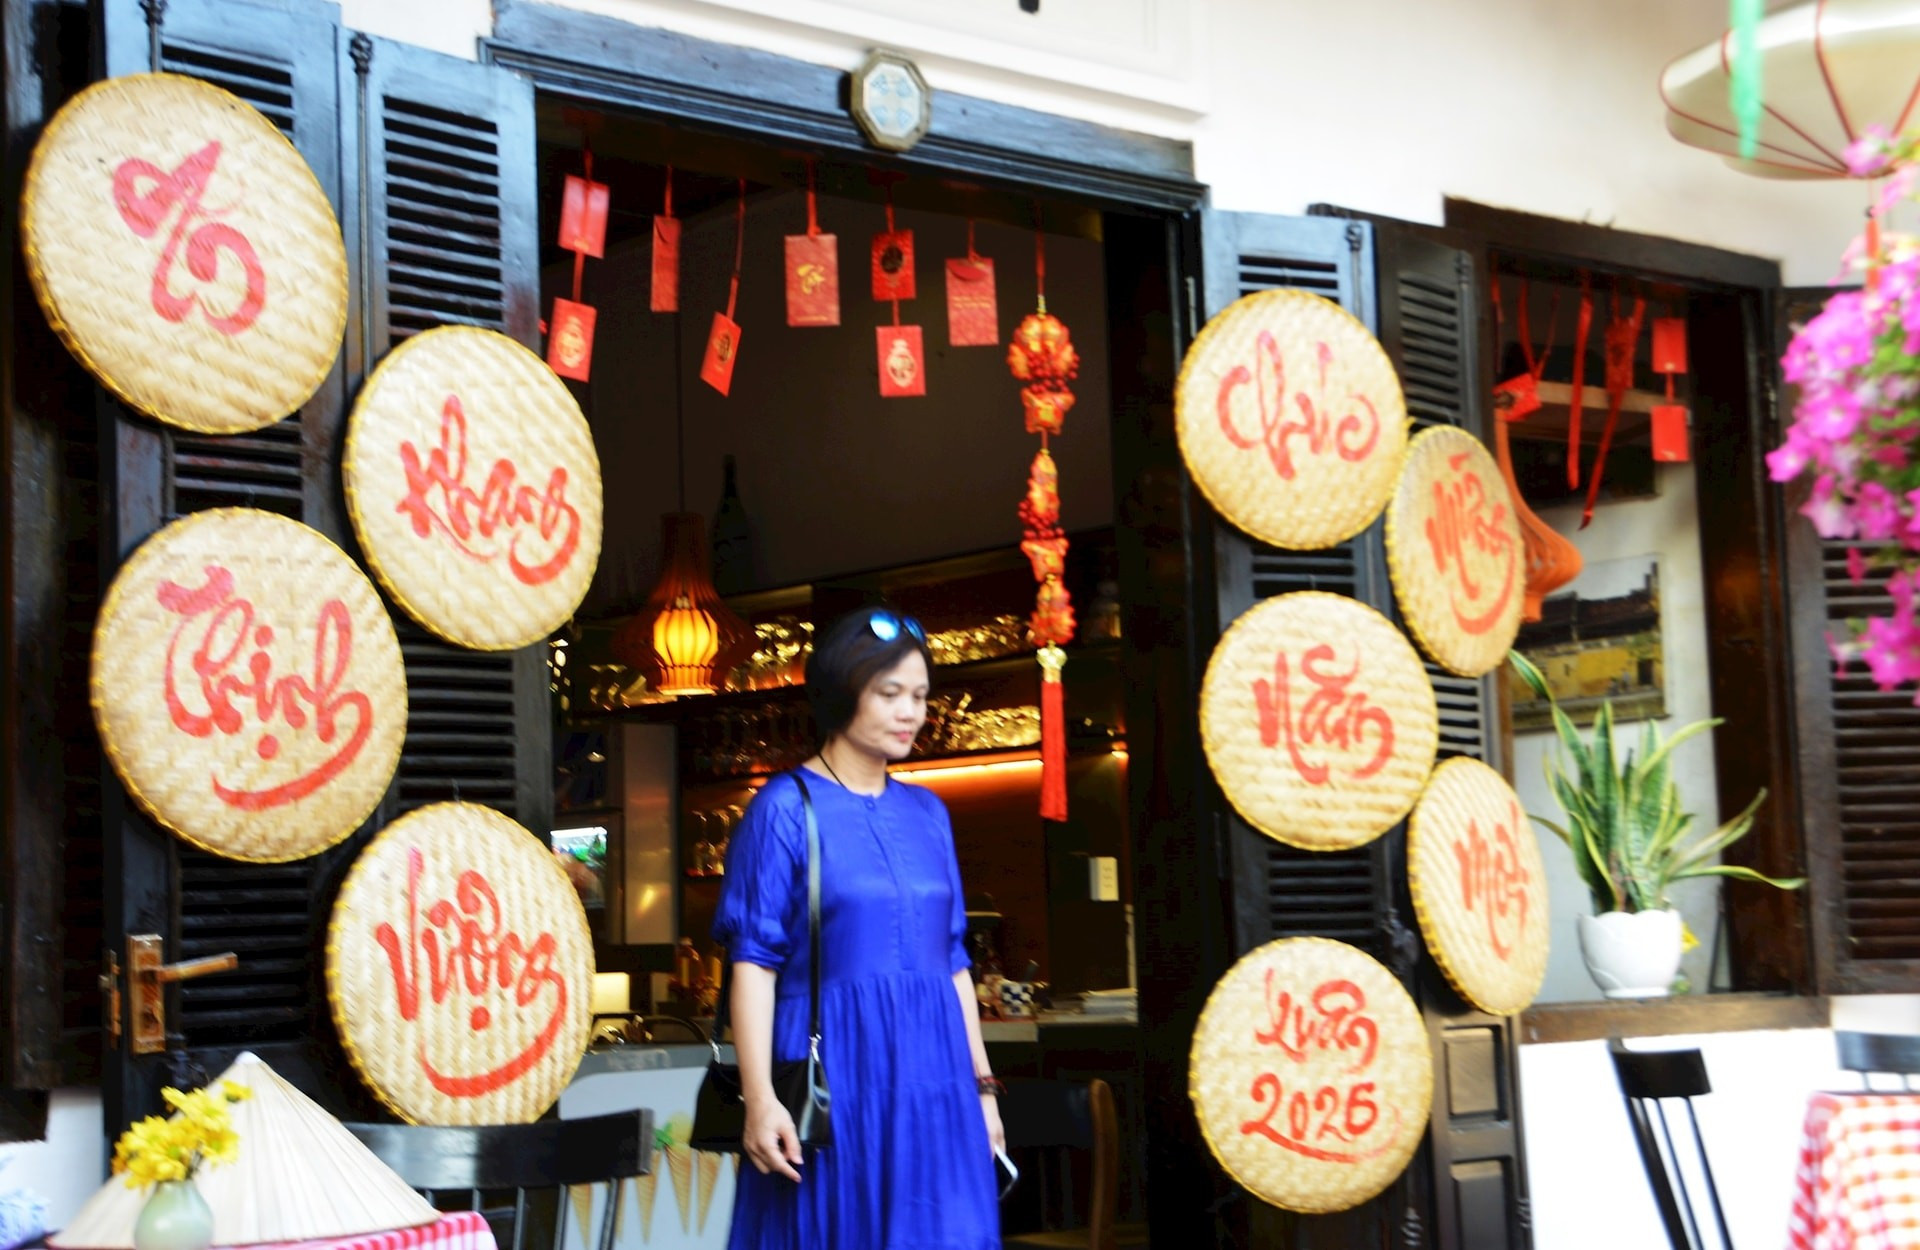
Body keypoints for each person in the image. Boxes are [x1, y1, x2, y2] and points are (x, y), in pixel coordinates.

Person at [714, 606, 1003, 1249]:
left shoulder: (929, 813)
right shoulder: (784, 808)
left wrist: (983, 1090)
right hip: (834, 1069)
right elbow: (754, 962)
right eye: (890, 693)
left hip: (935, 1071)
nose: (911, 712)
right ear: (846, 694)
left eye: (921, 696)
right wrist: (759, 1099)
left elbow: (954, 962)